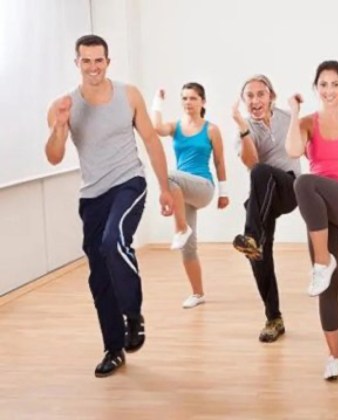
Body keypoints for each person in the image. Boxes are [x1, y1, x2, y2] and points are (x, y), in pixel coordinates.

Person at [44, 34, 174, 378]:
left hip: (129, 182)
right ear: (77, 63)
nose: (93, 67)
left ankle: (133, 315)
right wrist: (59, 126)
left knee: (114, 241)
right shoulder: (64, 105)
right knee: (99, 274)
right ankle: (114, 348)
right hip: (92, 196)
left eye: (98, 60)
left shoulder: (128, 95)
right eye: (86, 61)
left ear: (108, 61)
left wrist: (165, 188)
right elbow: (54, 156)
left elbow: (151, 141)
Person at [285, 60, 338, 380]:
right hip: (321, 212)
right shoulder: (307, 123)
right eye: (323, 84)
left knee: (304, 182)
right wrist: (294, 113)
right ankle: (334, 356)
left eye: (335, 84)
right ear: (315, 88)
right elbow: (293, 150)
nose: (329, 90)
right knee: (329, 289)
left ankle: (322, 263)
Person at [231, 75, 301, 343]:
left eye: (260, 94)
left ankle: (251, 236)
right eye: (249, 96)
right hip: (265, 198)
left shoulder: (287, 118)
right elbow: (251, 163)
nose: (255, 100)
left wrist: (296, 110)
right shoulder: (244, 129)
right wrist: (242, 127)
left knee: (261, 173)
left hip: (290, 188)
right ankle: (274, 318)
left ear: (271, 96)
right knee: (258, 255)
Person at [150, 83, 229, 309]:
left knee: (167, 174)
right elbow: (156, 127)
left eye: (193, 98)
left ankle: (180, 228)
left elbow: (219, 161)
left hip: (203, 187)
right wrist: (157, 101)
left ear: (203, 102)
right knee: (188, 248)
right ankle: (197, 293)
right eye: (184, 98)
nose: (188, 102)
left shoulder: (211, 130)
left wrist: (223, 193)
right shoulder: (175, 127)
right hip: (181, 191)